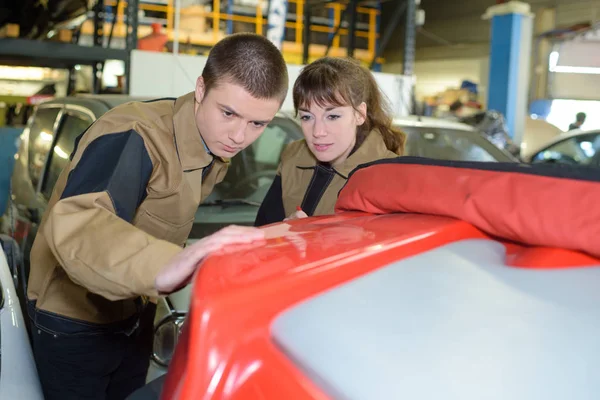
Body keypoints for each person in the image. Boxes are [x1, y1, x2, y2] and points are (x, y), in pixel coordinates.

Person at [26, 33, 288, 400]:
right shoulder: (136, 135)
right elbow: (79, 222)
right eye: (228, 113)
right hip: (75, 324)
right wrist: (168, 265)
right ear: (200, 89)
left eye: (257, 124)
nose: (239, 136)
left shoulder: (211, 146)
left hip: (136, 313)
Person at [254, 56, 405, 226]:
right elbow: (263, 231)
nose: (318, 132)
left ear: (360, 114)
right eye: (307, 117)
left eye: (332, 116)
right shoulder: (293, 156)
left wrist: (314, 237)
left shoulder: (388, 176)